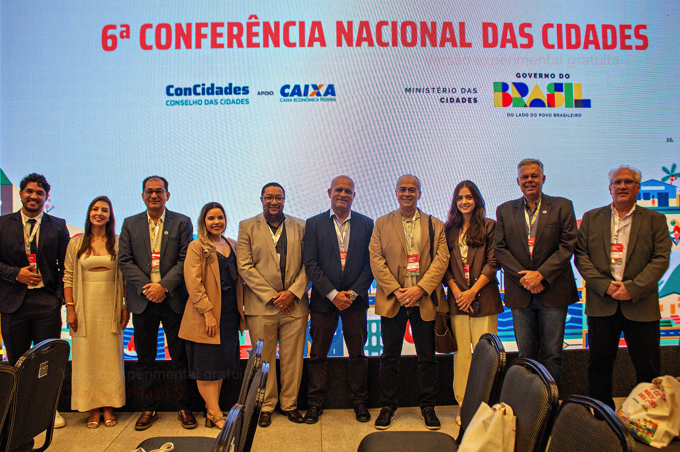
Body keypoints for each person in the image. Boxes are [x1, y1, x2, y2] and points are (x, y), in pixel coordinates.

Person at [575, 166, 671, 409]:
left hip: (641, 305)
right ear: (610, 189)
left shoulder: (655, 219)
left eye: (629, 182)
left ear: (638, 188)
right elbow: (581, 257)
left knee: (648, 368)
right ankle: (601, 415)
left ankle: (647, 417)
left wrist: (633, 288)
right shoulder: (591, 218)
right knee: (598, 365)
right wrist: (604, 286)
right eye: (617, 182)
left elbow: (661, 259)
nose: (622, 186)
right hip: (602, 304)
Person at [369, 175, 449, 430]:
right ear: (395, 193)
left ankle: (428, 407)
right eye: (402, 189)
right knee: (389, 357)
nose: (407, 193)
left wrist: (420, 289)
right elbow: (376, 260)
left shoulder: (434, 224)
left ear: (419, 194)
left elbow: (441, 260)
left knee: (427, 358)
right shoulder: (382, 223)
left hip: (423, 300)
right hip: (393, 300)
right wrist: (397, 290)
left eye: (412, 190)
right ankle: (388, 406)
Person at [118, 176, 197, 430]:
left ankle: (183, 407)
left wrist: (163, 286)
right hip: (143, 301)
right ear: (143, 195)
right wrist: (148, 287)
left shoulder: (182, 222)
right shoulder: (130, 223)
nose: (154, 195)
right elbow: (124, 260)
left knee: (179, 357)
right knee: (145, 358)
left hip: (172, 299)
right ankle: (147, 408)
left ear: (167, 195)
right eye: (149, 191)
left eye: (159, 191)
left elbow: (185, 259)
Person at [493, 158, 579, 390]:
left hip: (554, 290)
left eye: (534, 176)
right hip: (520, 292)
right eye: (525, 177)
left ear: (543, 178)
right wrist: (526, 278)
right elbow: (500, 248)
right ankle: (529, 404)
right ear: (518, 181)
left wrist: (541, 275)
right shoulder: (505, 210)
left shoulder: (562, 206)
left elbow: (567, 245)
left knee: (552, 354)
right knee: (526, 354)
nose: (529, 180)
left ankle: (551, 404)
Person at [0, 173, 70, 429]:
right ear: (21, 194)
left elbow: (66, 265)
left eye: (40, 193)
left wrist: (58, 298)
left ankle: (48, 410)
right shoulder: (2, 224)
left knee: (46, 362)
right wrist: (15, 274)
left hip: (46, 303)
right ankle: (18, 411)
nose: (34, 196)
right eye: (29, 191)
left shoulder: (58, 225)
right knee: (17, 361)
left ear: (46, 197)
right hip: (12, 303)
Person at [302, 176, 374, 424]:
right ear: (329, 192)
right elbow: (311, 264)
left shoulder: (367, 224)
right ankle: (314, 404)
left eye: (348, 191)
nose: (343, 194)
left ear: (354, 195)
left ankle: (360, 403)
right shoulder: (313, 224)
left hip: (355, 302)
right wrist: (333, 295)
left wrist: (351, 295)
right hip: (324, 302)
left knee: (358, 355)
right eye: (339, 190)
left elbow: (370, 265)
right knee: (317, 355)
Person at [237, 182, 309, 428]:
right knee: (263, 361)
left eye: (278, 197)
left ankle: (290, 405)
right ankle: (265, 405)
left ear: (285, 199)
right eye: (269, 197)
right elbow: (245, 266)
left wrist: (292, 293)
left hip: (294, 305)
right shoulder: (247, 226)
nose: (274, 201)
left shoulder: (301, 226)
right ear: (261, 199)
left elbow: (308, 264)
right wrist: (273, 296)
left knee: (293, 359)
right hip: (261, 306)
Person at [180, 202, 246, 429]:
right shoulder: (196, 246)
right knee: (206, 366)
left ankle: (212, 409)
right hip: (205, 315)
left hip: (229, 315)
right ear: (203, 221)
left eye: (220, 217)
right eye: (211, 218)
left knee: (219, 365)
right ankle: (215, 412)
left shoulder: (232, 244)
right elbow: (193, 283)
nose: (217, 222)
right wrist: (207, 313)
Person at [64, 196, 129, 428]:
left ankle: (109, 405)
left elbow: (125, 279)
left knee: (110, 358)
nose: (99, 213)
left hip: (110, 309)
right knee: (87, 357)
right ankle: (92, 407)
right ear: (89, 213)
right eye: (95, 209)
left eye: (104, 210)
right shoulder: (76, 243)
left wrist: (125, 306)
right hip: (84, 309)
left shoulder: (118, 242)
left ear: (110, 215)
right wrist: (70, 309)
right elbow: (68, 276)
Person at [443, 181, 502, 424]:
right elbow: (443, 265)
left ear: (476, 199)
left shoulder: (490, 226)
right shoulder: (448, 229)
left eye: (468, 197)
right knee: (462, 355)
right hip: (457, 301)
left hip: (484, 299)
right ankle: (464, 405)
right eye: (460, 198)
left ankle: (484, 404)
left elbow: (494, 262)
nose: (464, 202)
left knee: (485, 355)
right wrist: (459, 292)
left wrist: (472, 292)